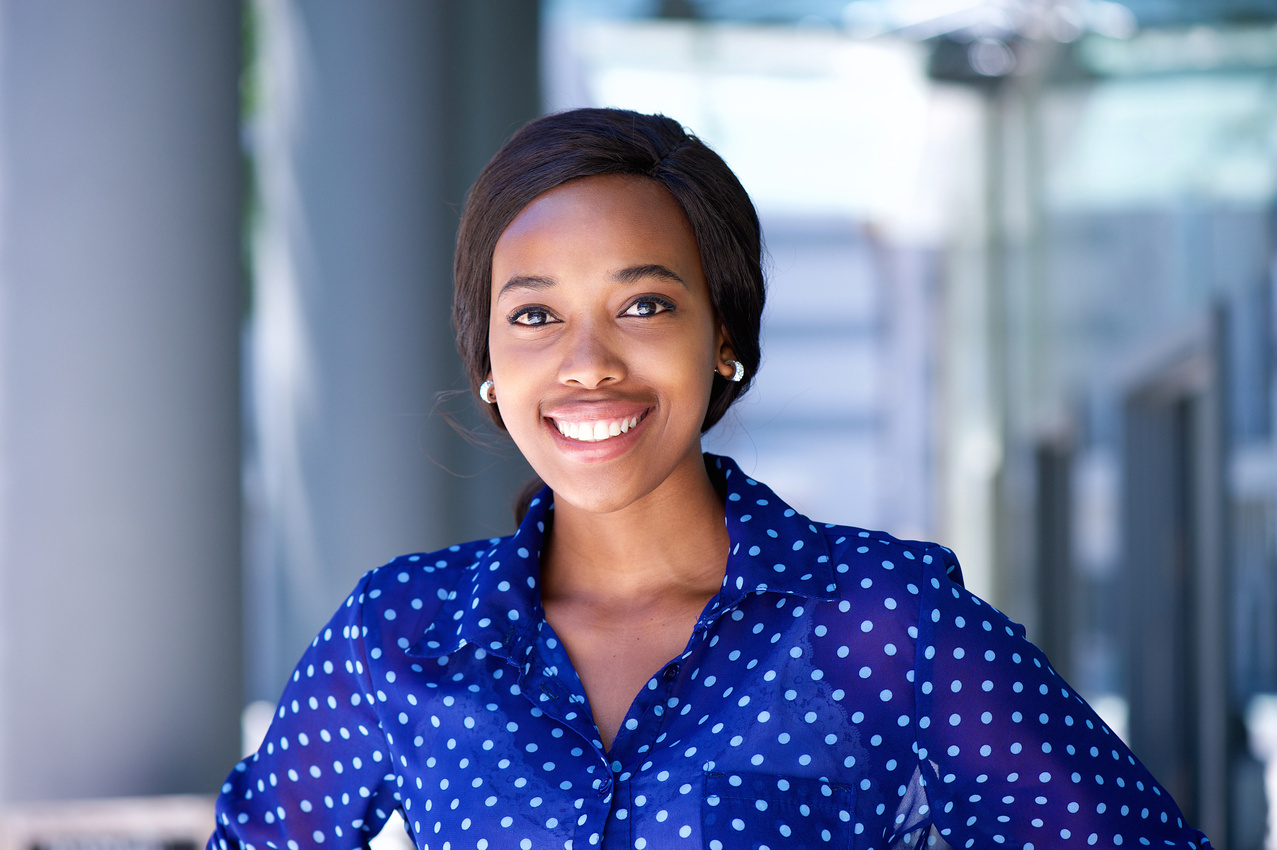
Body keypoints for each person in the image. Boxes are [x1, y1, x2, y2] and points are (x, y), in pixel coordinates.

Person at [209, 108, 1213, 850]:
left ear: (721, 338)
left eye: (642, 306)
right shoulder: (402, 630)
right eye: (532, 315)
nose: (587, 363)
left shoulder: (883, 622)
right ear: (485, 362)